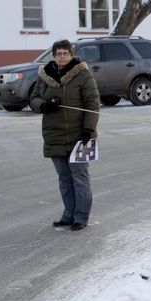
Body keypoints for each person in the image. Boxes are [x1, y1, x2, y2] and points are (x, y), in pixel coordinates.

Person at [30, 39, 99, 231]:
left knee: (80, 176)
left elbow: (93, 103)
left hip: (79, 135)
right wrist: (44, 105)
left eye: (65, 53)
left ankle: (81, 216)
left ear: (71, 54)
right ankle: (68, 214)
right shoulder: (44, 75)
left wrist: (88, 130)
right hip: (54, 134)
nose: (62, 57)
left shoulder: (83, 74)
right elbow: (33, 98)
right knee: (64, 177)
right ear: (54, 55)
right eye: (59, 53)